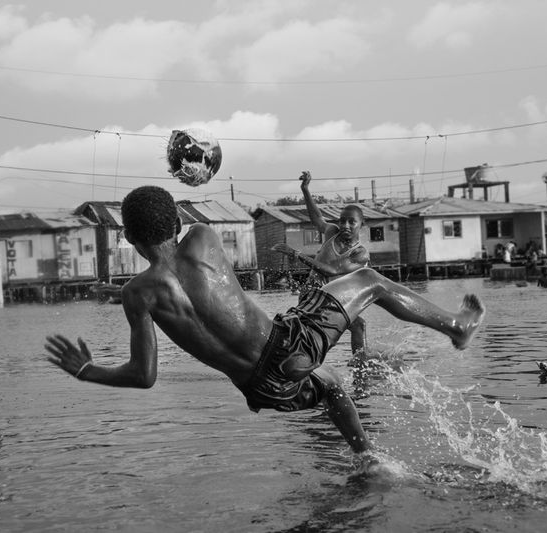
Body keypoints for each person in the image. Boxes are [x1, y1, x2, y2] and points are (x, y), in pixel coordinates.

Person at [45, 186, 485, 460]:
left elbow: (144, 377)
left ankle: (369, 462)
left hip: (259, 387)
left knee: (332, 385)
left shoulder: (137, 294)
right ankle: (456, 327)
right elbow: (187, 242)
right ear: (178, 222)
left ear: (127, 238)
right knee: (368, 280)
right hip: (287, 346)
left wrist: (88, 371)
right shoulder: (202, 238)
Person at [271, 171, 371, 357]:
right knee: (351, 327)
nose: (346, 226)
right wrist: (305, 189)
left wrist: (295, 253)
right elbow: (316, 217)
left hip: (334, 298)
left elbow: (333, 270)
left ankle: (360, 365)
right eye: (342, 221)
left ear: (361, 224)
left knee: (359, 326)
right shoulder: (332, 232)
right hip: (313, 293)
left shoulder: (360, 253)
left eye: (352, 222)